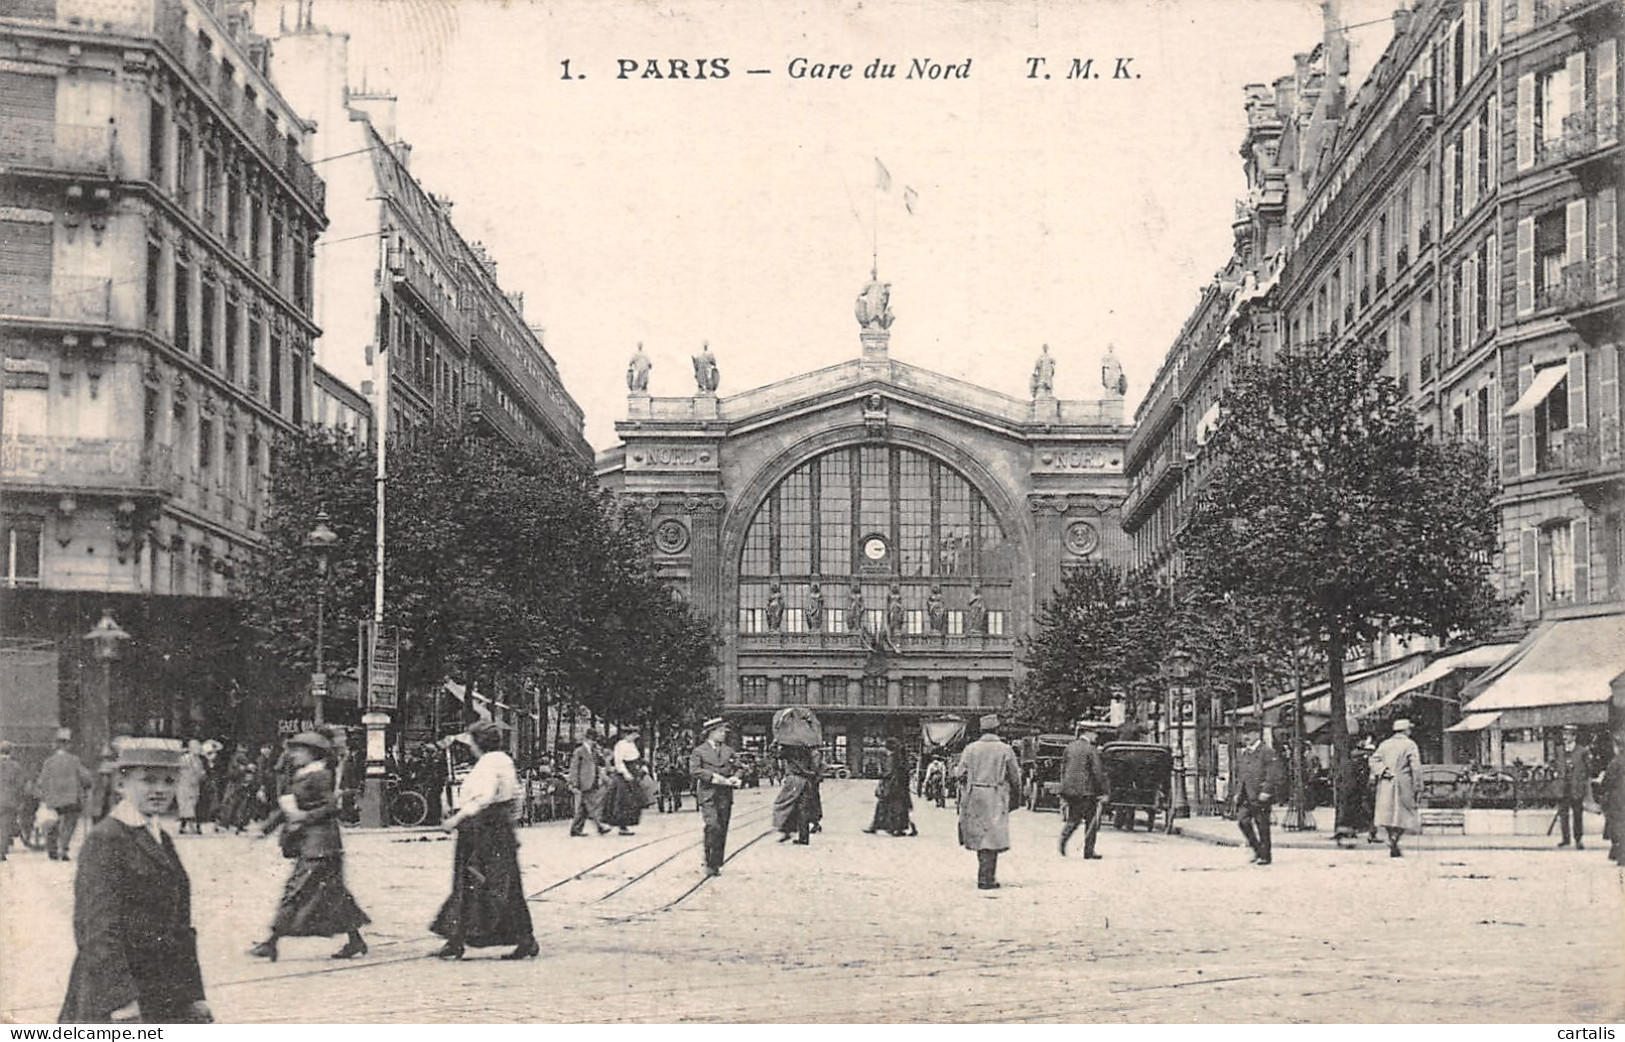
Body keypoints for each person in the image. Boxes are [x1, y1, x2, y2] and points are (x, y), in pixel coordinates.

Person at [59, 737, 212, 1024]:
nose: (159, 790)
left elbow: (179, 926)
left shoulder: (157, 835)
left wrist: (194, 994)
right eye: (148, 780)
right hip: (118, 995)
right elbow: (97, 930)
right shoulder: (107, 839)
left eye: (168, 781)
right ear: (121, 784)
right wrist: (121, 1000)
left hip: (164, 989)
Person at [250, 732, 369, 962]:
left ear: (312, 753)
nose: (293, 755)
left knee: (296, 890)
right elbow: (287, 809)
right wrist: (264, 830)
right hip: (319, 844)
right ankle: (355, 940)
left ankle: (272, 941)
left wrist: (304, 817)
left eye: (299, 751)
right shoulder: (303, 775)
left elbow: (332, 807)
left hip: (320, 845)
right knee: (334, 894)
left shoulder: (319, 775)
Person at [429, 720, 538, 961]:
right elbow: (516, 795)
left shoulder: (487, 765)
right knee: (501, 884)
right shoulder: (504, 760)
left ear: (478, 744)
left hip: (482, 830)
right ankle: (520, 938)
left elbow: (482, 798)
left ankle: (458, 940)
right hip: (499, 829)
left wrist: (455, 820)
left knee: (473, 882)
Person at [954, 715, 1022, 890]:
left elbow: (959, 773)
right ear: (997, 730)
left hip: (975, 794)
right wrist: (1016, 798)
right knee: (992, 836)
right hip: (996, 794)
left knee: (980, 835)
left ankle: (984, 876)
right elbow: (1015, 777)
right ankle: (987, 878)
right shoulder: (1005, 749)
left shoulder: (971, 749)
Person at [689, 718, 742, 876]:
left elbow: (739, 767)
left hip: (725, 794)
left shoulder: (728, 750)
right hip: (708, 793)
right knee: (712, 825)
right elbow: (694, 770)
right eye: (720, 732)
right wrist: (713, 777)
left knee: (722, 827)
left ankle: (716, 862)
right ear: (710, 733)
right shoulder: (699, 751)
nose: (723, 734)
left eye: (724, 732)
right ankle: (709, 860)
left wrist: (736, 777)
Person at [1231, 721, 1284, 866]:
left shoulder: (1266, 751)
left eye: (1248, 733)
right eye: (1244, 733)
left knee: (1262, 825)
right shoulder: (1245, 752)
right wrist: (1238, 792)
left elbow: (1273, 773)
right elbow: (1242, 775)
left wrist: (1266, 791)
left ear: (1256, 734)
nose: (1245, 736)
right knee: (1243, 821)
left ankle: (1265, 856)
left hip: (1260, 794)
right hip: (1246, 794)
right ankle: (1257, 849)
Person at [37, 728, 93, 862]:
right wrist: (87, 785)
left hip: (53, 799)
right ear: (67, 745)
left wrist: (45, 795)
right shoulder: (74, 760)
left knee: (53, 823)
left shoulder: (48, 762)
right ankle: (63, 849)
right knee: (69, 823)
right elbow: (85, 778)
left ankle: (52, 849)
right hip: (71, 799)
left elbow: (41, 781)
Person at [1372, 718, 1423, 858]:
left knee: (1387, 813)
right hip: (1404, 782)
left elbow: (1373, 759)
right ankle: (1395, 838)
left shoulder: (1385, 744)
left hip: (1387, 782)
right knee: (1404, 812)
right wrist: (1418, 786)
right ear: (1406, 730)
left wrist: (1383, 771)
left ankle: (1391, 837)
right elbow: (1416, 767)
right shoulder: (1410, 745)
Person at [1058, 724, 1108, 859]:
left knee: (1074, 818)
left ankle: (1063, 839)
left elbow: (1063, 768)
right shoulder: (1091, 749)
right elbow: (1097, 772)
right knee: (1092, 821)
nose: (1096, 736)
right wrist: (1103, 792)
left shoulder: (1070, 747)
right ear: (1088, 733)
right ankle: (1089, 851)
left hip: (1070, 790)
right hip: (1087, 791)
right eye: (1095, 733)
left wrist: (1064, 787)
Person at [864, 737, 916, 837]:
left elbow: (888, 773)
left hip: (891, 786)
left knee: (884, 807)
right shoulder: (901, 758)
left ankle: (881, 827)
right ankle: (899, 828)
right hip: (901, 788)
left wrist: (880, 775)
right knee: (899, 808)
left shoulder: (892, 758)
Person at [1553, 724, 1592, 850]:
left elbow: (1588, 768)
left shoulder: (1582, 751)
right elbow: (1555, 765)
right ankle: (1565, 839)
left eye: (1568, 734)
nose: (1565, 737)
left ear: (1574, 736)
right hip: (1563, 787)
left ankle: (1578, 839)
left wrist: (1581, 780)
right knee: (1563, 814)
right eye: (1564, 734)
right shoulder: (1559, 750)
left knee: (1577, 814)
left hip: (1576, 787)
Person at [773, 745, 818, 845]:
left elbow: (776, 755)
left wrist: (775, 744)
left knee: (782, 805)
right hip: (806, 781)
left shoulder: (788, 750)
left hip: (794, 780)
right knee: (802, 809)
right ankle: (803, 837)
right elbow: (814, 767)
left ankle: (785, 830)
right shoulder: (807, 751)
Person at [568, 731, 610, 837]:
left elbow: (601, 764)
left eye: (595, 740)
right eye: (592, 740)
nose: (594, 742)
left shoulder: (595, 751)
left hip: (593, 782)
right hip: (584, 782)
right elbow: (574, 767)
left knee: (584, 807)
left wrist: (601, 755)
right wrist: (573, 782)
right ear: (587, 739)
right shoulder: (579, 751)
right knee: (593, 805)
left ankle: (575, 829)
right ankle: (600, 826)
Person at [606, 726, 646, 835]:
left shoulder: (632, 745)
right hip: (623, 775)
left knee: (633, 801)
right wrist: (625, 773)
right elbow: (619, 761)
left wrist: (641, 767)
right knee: (622, 800)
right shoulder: (620, 745)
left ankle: (626, 824)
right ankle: (621, 826)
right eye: (633, 735)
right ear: (627, 735)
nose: (634, 737)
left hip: (633, 774)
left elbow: (637, 759)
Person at [0, 741, 27, 860]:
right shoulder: (16, 766)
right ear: (10, 751)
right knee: (5, 827)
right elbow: (20, 785)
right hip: (9, 801)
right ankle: (1, 851)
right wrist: (19, 800)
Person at [175, 740, 206, 835]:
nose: (199, 749)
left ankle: (183, 827)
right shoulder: (185, 759)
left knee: (191, 806)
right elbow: (182, 772)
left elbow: (200, 772)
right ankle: (193, 827)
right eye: (197, 747)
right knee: (188, 806)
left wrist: (202, 774)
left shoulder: (199, 760)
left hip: (194, 786)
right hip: (185, 785)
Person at [1602, 733, 1624, 865]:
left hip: (1617, 798)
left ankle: (1621, 855)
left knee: (1618, 827)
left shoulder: (1615, 762)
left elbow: (1607, 781)